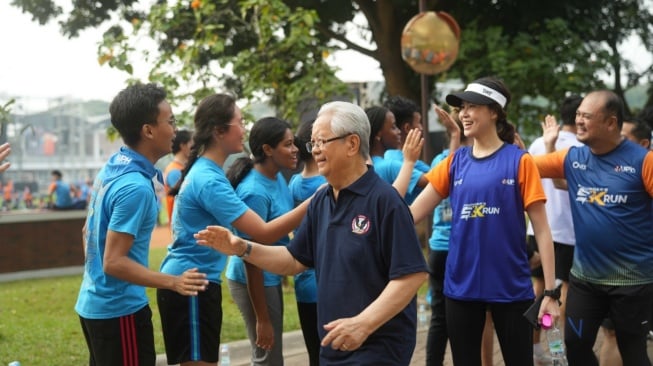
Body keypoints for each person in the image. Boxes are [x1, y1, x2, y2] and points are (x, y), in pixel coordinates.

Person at [196, 100, 429, 366]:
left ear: (352, 144)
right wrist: (241, 248)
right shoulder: (322, 201)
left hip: (377, 349)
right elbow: (295, 260)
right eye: (313, 143)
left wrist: (363, 324)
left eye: (322, 142)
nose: (315, 151)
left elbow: (412, 274)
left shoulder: (384, 201)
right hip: (333, 347)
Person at [409, 76, 560, 366]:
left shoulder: (520, 160)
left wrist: (551, 292)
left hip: (511, 288)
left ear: (494, 111)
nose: (463, 113)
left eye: (472, 106)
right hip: (460, 289)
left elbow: (541, 229)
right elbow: (412, 213)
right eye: (461, 107)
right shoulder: (455, 162)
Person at [157, 93, 310, 366]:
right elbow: (261, 232)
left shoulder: (211, 173)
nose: (244, 129)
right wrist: (318, 200)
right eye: (240, 122)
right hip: (190, 284)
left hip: (201, 282)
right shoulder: (209, 180)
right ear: (219, 131)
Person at [74, 82, 209, 366]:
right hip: (118, 312)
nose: (175, 130)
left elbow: (88, 232)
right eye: (170, 121)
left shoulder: (114, 165)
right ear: (148, 130)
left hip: (95, 304)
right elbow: (113, 262)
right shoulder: (134, 186)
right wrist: (173, 281)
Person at [535, 90, 653, 366]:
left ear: (611, 123)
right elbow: (524, 167)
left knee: (633, 352)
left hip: (634, 284)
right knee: (575, 346)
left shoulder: (642, 160)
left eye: (586, 117)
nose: (579, 121)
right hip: (586, 281)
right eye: (578, 116)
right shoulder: (572, 159)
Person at [225, 117, 298, 366]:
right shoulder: (253, 192)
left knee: (272, 354)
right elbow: (250, 257)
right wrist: (262, 318)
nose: (295, 149)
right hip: (253, 278)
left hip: (269, 273)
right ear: (268, 149)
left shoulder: (276, 177)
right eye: (288, 144)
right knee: (267, 355)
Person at [525, 95, 583, 364]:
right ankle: (558, 348)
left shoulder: (538, 143)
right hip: (566, 230)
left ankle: (537, 350)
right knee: (562, 294)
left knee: (540, 289)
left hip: (535, 227)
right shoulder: (581, 147)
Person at [597, 117, 653, 366]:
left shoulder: (645, 168)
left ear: (642, 143)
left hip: (638, 274)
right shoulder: (609, 168)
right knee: (612, 334)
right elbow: (561, 183)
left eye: (625, 139)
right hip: (616, 273)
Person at [287, 118, 323, 366]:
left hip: (303, 282)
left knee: (315, 354)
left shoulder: (293, 184)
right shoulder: (329, 184)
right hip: (328, 283)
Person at [365, 105, 428, 203]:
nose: (399, 131)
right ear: (378, 134)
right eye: (393, 127)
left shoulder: (364, 167)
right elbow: (433, 181)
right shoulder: (390, 166)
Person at [163, 129, 192, 225]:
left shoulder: (181, 168)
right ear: (183, 146)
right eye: (192, 143)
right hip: (183, 226)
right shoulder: (174, 171)